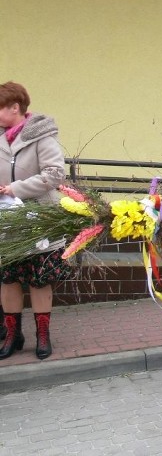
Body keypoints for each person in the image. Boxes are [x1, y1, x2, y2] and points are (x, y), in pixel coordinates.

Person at [0, 82, 69, 360]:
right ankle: (13, 336)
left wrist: (15, 188)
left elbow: (54, 174)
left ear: (15, 108)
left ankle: (43, 336)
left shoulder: (42, 136)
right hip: (7, 221)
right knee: (9, 279)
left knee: (39, 280)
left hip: (40, 219)